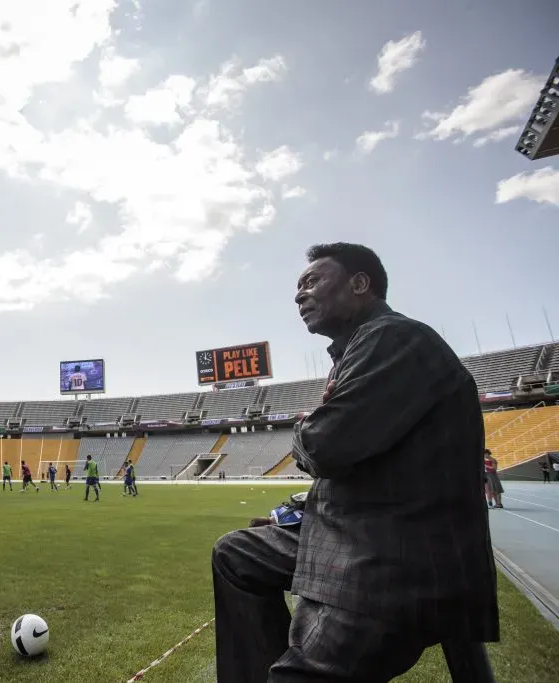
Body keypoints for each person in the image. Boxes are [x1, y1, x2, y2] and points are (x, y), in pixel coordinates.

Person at [211, 243, 498, 682]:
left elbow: (326, 447)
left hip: (390, 559)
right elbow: (375, 467)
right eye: (298, 287)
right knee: (236, 554)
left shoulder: (394, 337)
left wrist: (304, 428)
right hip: (366, 535)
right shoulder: (364, 347)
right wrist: (293, 515)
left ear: (360, 284)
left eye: (311, 282)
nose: (299, 296)